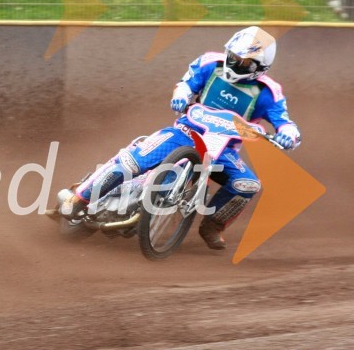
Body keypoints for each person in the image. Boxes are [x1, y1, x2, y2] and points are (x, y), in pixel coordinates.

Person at [64, 26, 301, 249]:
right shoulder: (210, 63)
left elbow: (285, 123)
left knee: (247, 185)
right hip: (184, 133)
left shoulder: (269, 93)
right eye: (232, 55)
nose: (234, 62)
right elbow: (187, 83)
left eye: (243, 61)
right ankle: (80, 199)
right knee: (133, 161)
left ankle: (213, 226)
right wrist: (182, 95)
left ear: (258, 67)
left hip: (222, 151)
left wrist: (288, 136)